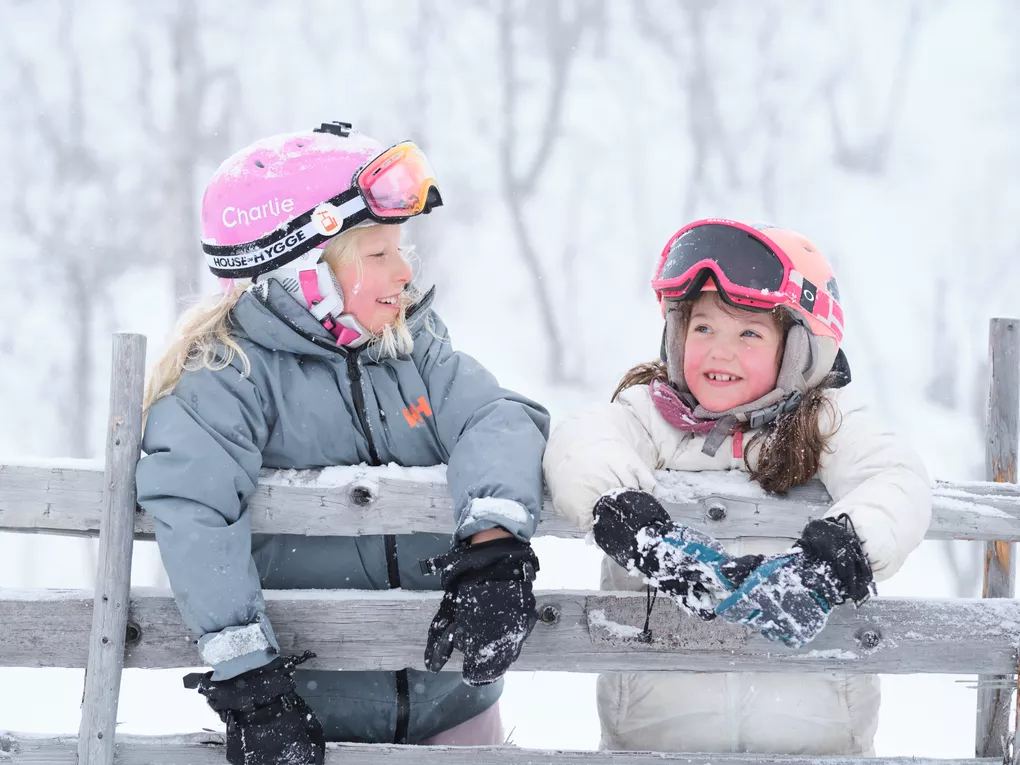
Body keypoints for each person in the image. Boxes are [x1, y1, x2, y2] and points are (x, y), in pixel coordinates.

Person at [136, 121, 549, 764]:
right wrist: (249, 680)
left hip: (453, 706)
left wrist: (493, 544)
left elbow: (495, 417)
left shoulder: (413, 348)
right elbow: (194, 509)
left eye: (401, 249)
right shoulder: (228, 378)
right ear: (304, 272)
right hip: (312, 715)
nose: (404, 270)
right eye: (378, 255)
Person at [543, 218, 932, 754]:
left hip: (812, 741)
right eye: (703, 329)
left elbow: (895, 476)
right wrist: (642, 534)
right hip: (658, 737)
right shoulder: (651, 416)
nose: (720, 352)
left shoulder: (824, 424)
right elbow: (579, 441)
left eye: (748, 333)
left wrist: (827, 565)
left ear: (797, 350)